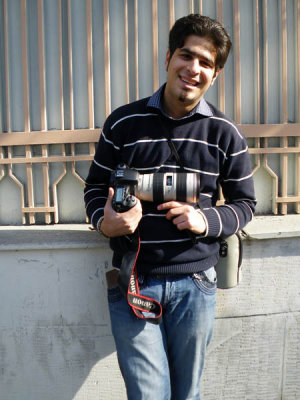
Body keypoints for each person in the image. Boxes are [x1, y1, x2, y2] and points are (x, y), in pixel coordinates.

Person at [84, 14, 256, 400]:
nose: (193, 69)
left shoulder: (224, 133)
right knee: (148, 395)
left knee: (186, 394)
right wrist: (105, 222)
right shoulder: (123, 122)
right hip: (133, 278)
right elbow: (95, 187)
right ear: (167, 58)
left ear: (216, 74)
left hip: (196, 283)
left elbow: (246, 204)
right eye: (186, 56)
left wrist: (205, 219)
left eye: (206, 63)